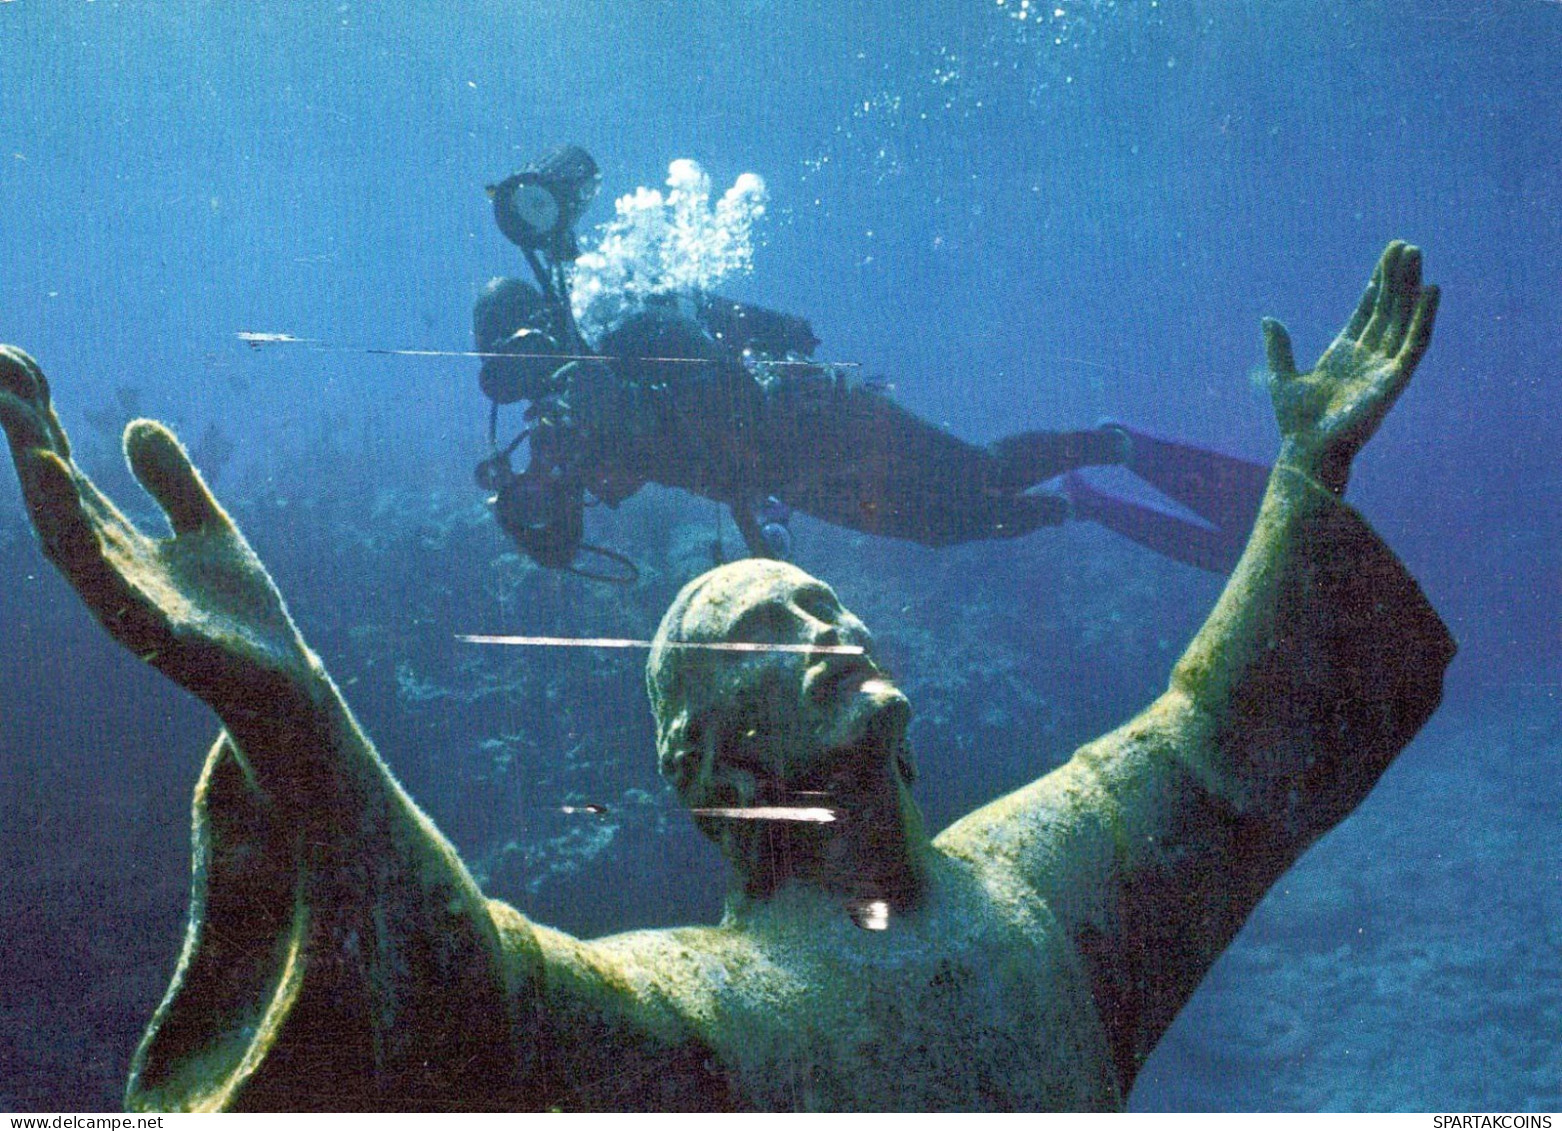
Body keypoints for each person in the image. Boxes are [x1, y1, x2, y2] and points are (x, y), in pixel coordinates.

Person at [0, 242, 1451, 1111]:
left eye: (821, 609)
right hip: (808, 464)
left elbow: (1211, 737)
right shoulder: (698, 1016)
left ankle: (1103, 451)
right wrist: (287, 700)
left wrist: (1301, 479)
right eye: (760, 632)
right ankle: (1087, 472)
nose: (823, 628)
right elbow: (463, 988)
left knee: (978, 496)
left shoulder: (1047, 882)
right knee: (986, 503)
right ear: (699, 761)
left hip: (828, 440)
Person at [474, 147, 1270, 579]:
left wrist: (760, 504)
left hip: (819, 421)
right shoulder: (590, 421)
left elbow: (712, 386)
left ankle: (1112, 445)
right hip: (795, 469)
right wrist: (768, 527)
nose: (593, 491)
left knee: (978, 475)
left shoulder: (603, 376)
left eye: (564, 489)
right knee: (942, 530)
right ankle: (1080, 503)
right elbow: (716, 452)